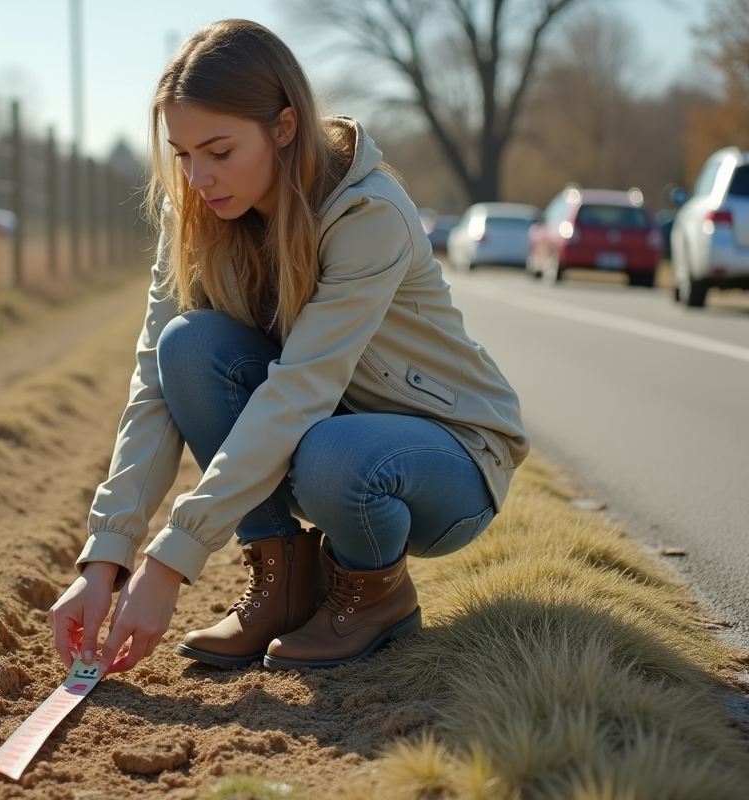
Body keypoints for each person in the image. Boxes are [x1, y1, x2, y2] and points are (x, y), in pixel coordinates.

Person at [49, 19, 528, 676]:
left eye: (219, 151)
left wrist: (169, 562)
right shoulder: (193, 215)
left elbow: (302, 388)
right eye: (183, 154)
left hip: (448, 454)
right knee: (187, 348)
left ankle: (375, 593)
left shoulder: (368, 214)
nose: (198, 178)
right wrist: (107, 555)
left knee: (332, 453)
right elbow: (157, 388)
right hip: (327, 434)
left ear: (283, 125)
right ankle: (282, 580)